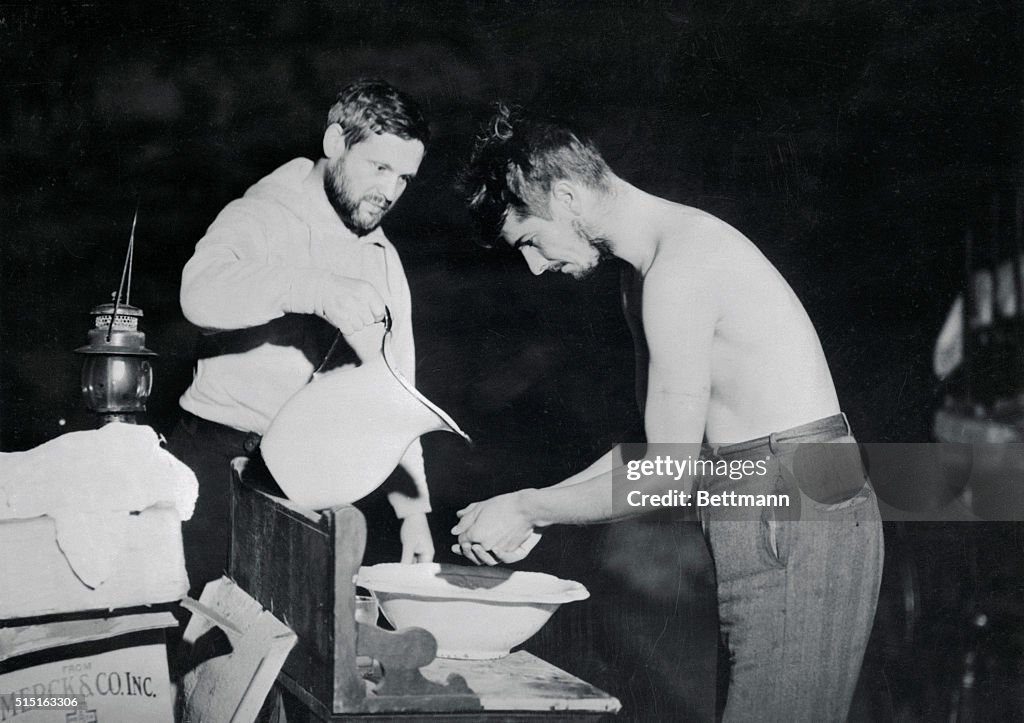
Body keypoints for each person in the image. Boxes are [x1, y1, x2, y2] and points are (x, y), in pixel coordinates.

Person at [453, 105, 884, 722]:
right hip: (764, 498)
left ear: (568, 196)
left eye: (529, 240)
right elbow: (651, 448)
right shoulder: (646, 273)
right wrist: (535, 506)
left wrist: (529, 506)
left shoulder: (679, 272)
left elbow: (665, 477)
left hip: (791, 502)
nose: (534, 265)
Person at [167, 80, 435, 596]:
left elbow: (398, 392)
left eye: (404, 177)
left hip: (305, 483)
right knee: (186, 641)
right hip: (214, 464)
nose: (390, 191)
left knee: (286, 656)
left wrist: (413, 510)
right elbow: (197, 296)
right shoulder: (262, 212)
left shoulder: (382, 258)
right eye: (379, 168)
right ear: (336, 141)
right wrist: (309, 287)